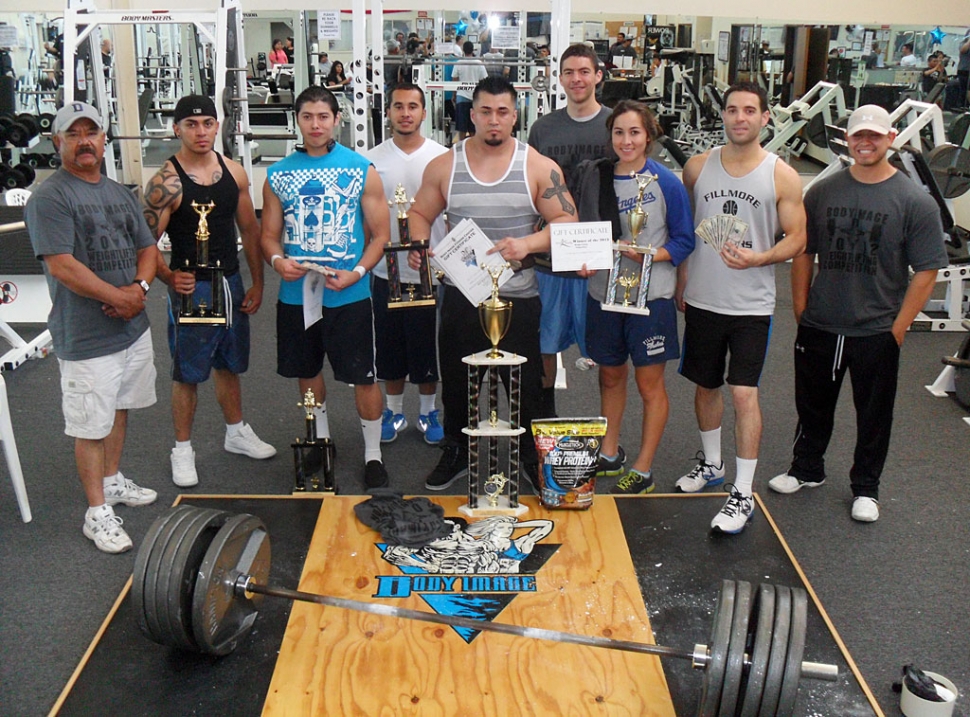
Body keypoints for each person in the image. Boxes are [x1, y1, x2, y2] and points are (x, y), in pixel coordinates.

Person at [768, 105, 947, 522]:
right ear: (847, 139)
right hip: (821, 322)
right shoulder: (823, 192)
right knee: (812, 405)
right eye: (858, 136)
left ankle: (866, 488)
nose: (866, 143)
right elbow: (803, 252)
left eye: (875, 136)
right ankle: (806, 469)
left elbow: (926, 271)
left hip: (876, 330)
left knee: (874, 414)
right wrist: (801, 307)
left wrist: (898, 329)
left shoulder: (914, 201)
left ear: (891, 138)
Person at [406, 76, 577, 491]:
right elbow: (419, 213)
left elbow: (566, 223)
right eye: (486, 112)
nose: (494, 121)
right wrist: (417, 245)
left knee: (527, 385)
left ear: (515, 116)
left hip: (520, 297)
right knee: (459, 381)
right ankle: (458, 450)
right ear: (472, 114)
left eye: (503, 112)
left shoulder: (537, 165)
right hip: (463, 296)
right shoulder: (446, 165)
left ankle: (530, 458)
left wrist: (526, 243)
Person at [25, 102, 160, 553]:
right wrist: (118, 297)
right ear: (58, 142)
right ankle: (96, 512)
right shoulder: (51, 197)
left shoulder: (119, 192)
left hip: (131, 327)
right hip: (86, 336)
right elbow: (62, 266)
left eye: (92, 132)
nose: (85, 141)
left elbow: (147, 246)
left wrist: (139, 288)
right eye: (74, 134)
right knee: (90, 426)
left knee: (120, 407)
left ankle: (112, 479)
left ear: (104, 139)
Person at [674, 81, 807, 534]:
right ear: (725, 116)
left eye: (750, 110)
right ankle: (711, 464)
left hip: (751, 305)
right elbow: (686, 229)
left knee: (743, 393)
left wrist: (761, 256)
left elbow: (798, 238)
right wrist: (683, 277)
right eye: (732, 110)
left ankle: (743, 491)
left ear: (765, 117)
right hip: (703, 299)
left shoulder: (781, 174)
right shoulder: (697, 167)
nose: (740, 118)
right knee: (705, 385)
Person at [260, 86, 392, 490]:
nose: (315, 125)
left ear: (337, 119)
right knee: (308, 371)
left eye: (323, 116)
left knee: (364, 375)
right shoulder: (277, 174)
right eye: (307, 117)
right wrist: (279, 262)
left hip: (349, 293)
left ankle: (373, 453)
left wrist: (357, 271)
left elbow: (381, 234)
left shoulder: (360, 168)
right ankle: (319, 443)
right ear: (297, 121)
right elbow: (268, 236)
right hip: (297, 295)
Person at [142, 94, 275, 488]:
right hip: (191, 288)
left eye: (207, 123)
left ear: (218, 126)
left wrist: (258, 281)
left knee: (229, 363)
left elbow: (250, 230)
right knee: (188, 372)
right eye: (191, 124)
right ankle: (182, 449)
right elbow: (144, 241)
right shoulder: (164, 182)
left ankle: (235, 432)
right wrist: (167, 276)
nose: (200, 132)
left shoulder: (234, 172)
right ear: (177, 129)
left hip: (230, 281)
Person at [574, 101, 694, 495]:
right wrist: (582, 258)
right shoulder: (596, 176)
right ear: (611, 136)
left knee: (649, 384)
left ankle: (642, 468)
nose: (627, 141)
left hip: (651, 297)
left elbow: (683, 241)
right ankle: (610, 452)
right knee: (609, 375)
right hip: (603, 293)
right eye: (619, 133)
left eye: (635, 133)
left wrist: (645, 254)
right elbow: (580, 231)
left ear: (649, 136)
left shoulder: (667, 183)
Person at [527, 43, 612, 418]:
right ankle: (545, 427)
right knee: (544, 346)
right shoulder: (543, 129)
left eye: (583, 71)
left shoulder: (616, 124)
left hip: (602, 257)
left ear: (598, 75)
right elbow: (528, 188)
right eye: (569, 72)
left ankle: (607, 441)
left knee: (609, 355)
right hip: (550, 258)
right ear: (560, 79)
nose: (576, 79)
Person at [364, 84, 448, 445]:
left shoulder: (443, 157)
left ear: (424, 113)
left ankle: (428, 411)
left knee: (427, 345)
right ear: (388, 113)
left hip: (433, 269)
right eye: (398, 106)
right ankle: (394, 410)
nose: (405, 113)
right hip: (387, 270)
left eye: (413, 106)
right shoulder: (371, 159)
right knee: (390, 346)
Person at [453, 41, 488, 142]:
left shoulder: (459, 63)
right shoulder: (479, 63)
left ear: (463, 50)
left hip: (461, 96)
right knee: (473, 126)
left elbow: (454, 80)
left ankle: (461, 147)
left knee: (461, 127)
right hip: (475, 98)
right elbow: (484, 80)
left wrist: (454, 95)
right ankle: (474, 147)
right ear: (473, 50)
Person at [959, 32, 970, 109]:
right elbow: (963, 50)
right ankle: (962, 105)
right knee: (963, 90)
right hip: (964, 70)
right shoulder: (963, 43)